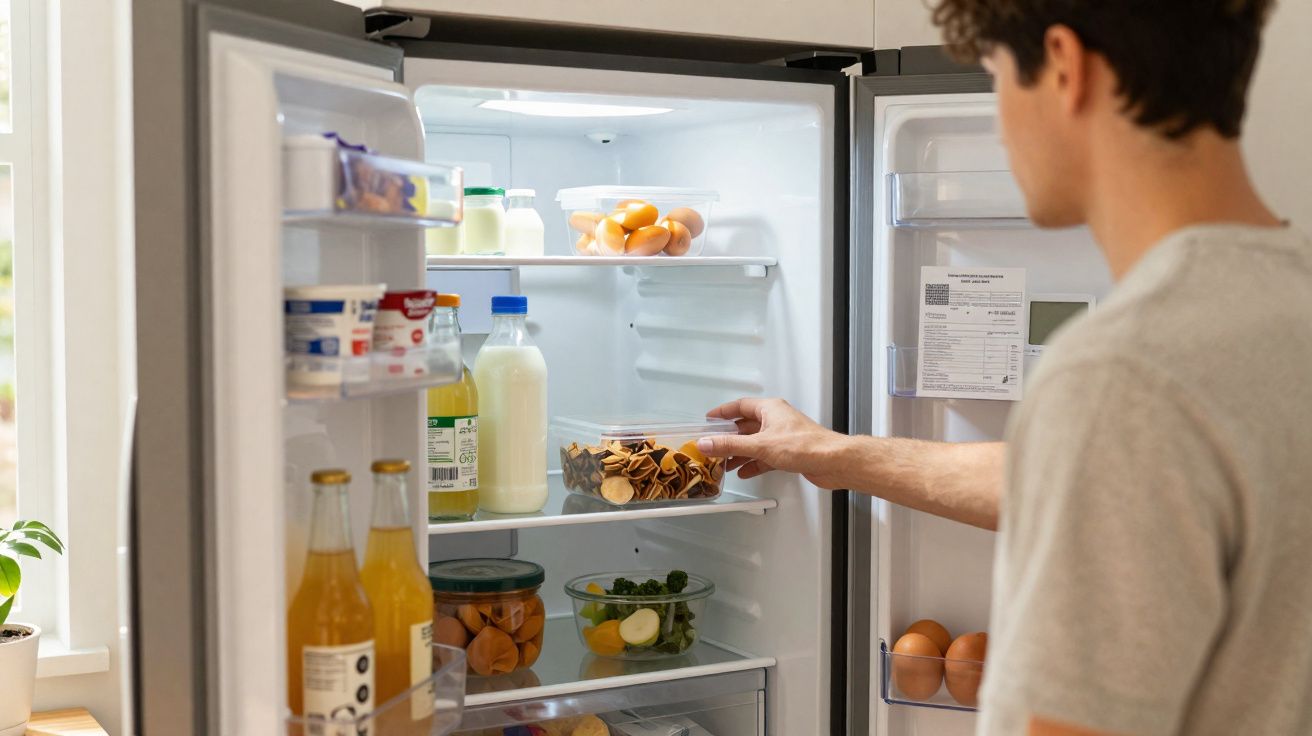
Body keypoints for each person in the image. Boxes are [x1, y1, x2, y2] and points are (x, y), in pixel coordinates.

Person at [697, 1, 1312, 734]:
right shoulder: (1281, 310)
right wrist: (828, 454)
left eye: (994, 80)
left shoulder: (1122, 375)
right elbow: (1117, 483)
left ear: (1064, 66)